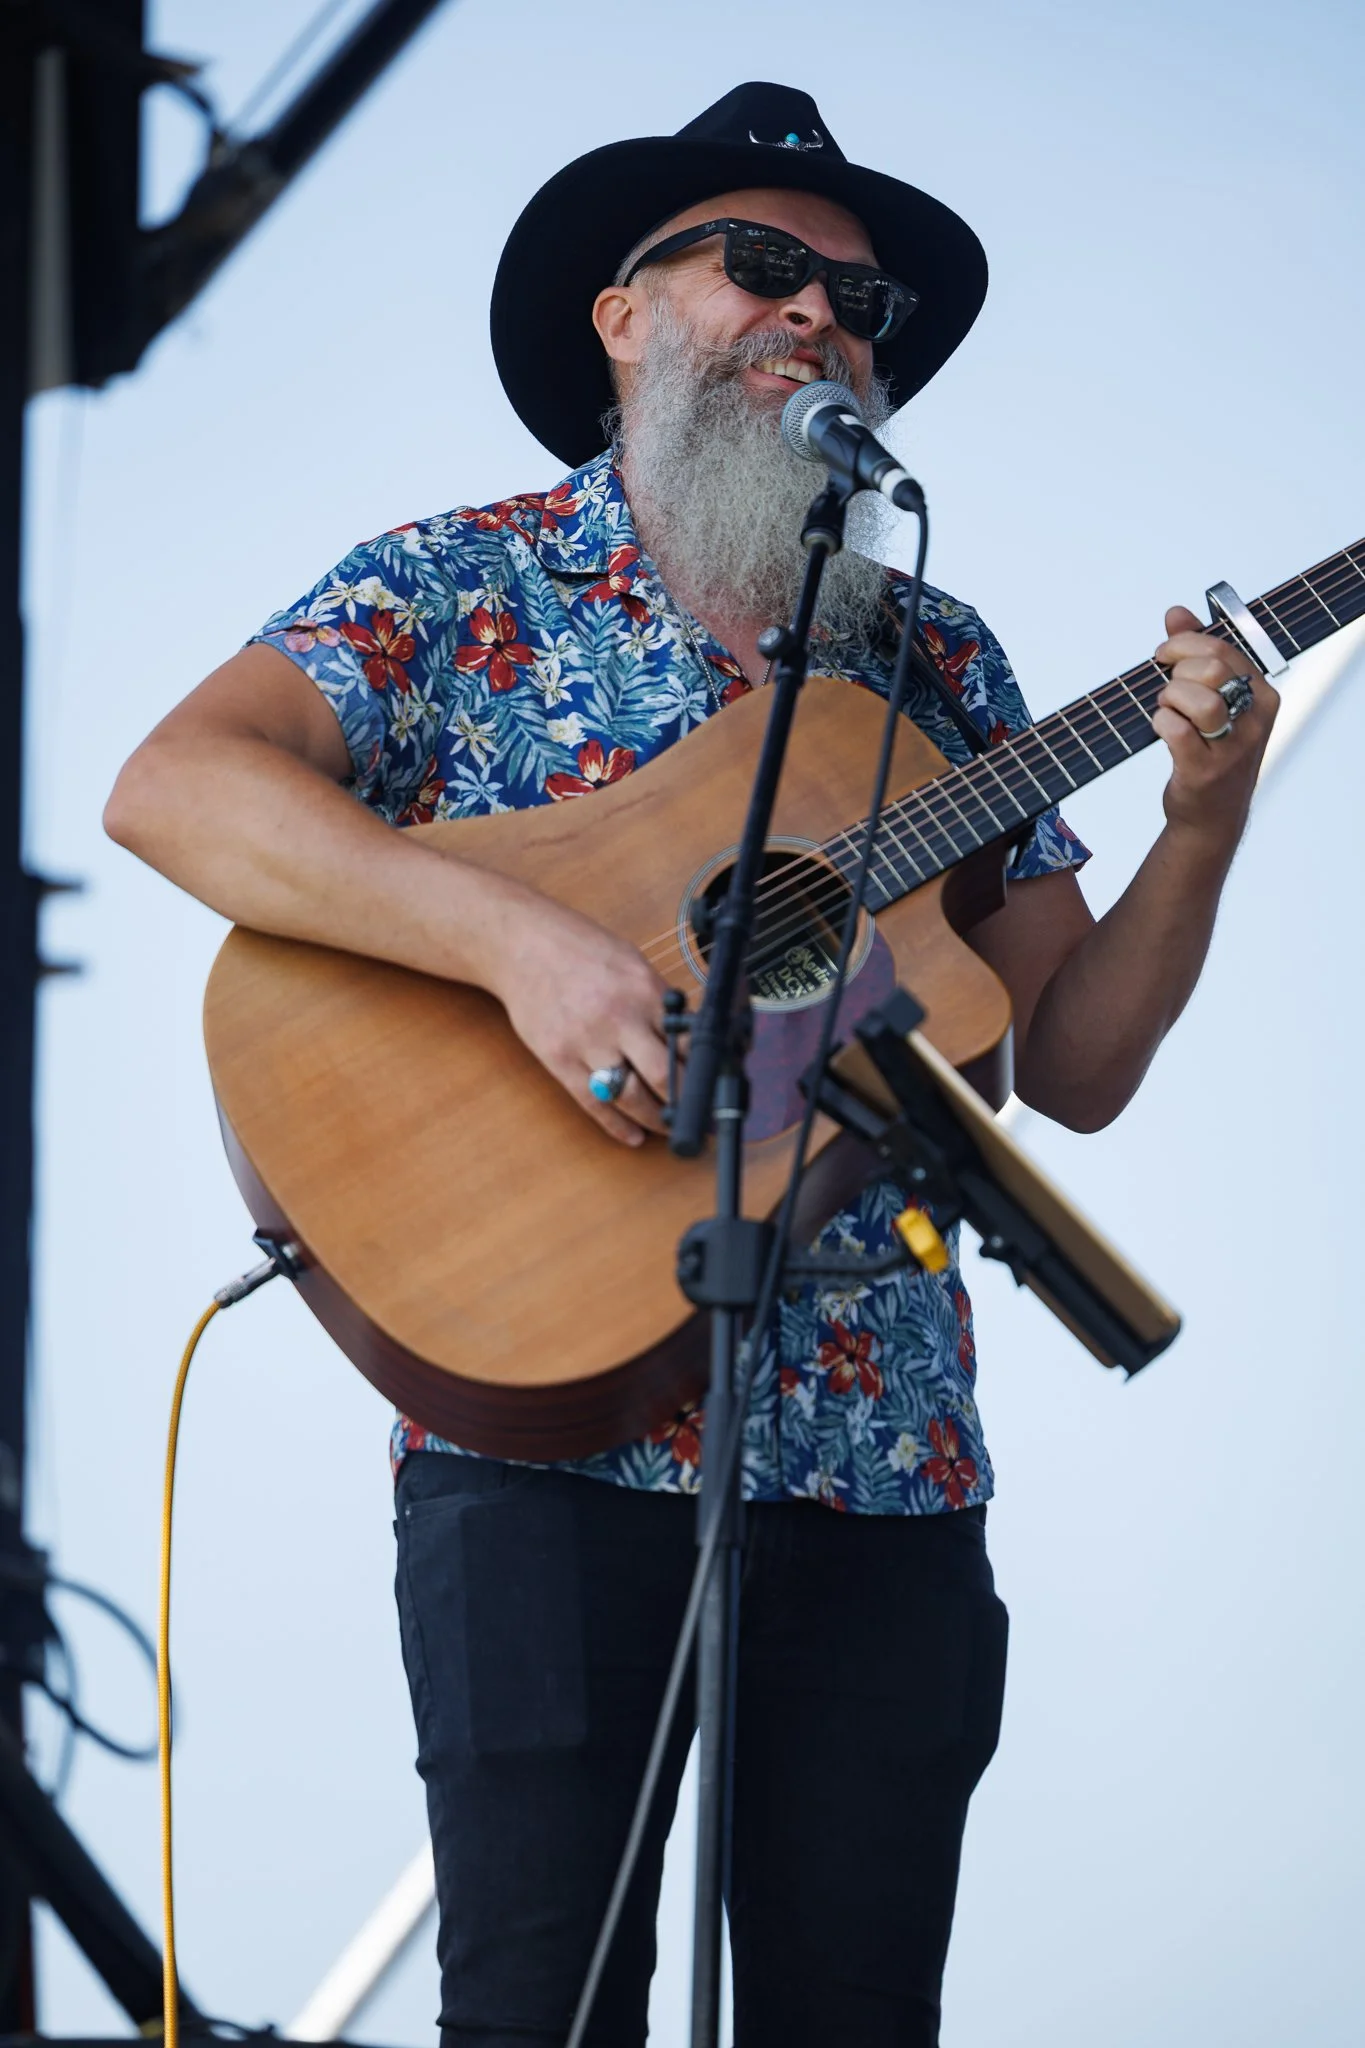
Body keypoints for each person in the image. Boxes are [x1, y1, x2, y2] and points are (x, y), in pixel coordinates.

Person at [105, 81, 1276, 2048]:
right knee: (539, 2018)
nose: (821, 313)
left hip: (881, 1460)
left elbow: (1066, 1061)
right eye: (764, 267)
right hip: (537, 1439)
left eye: (856, 299)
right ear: (621, 314)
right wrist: (524, 945)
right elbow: (176, 788)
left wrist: (1206, 817)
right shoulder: (451, 585)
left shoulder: (942, 665)